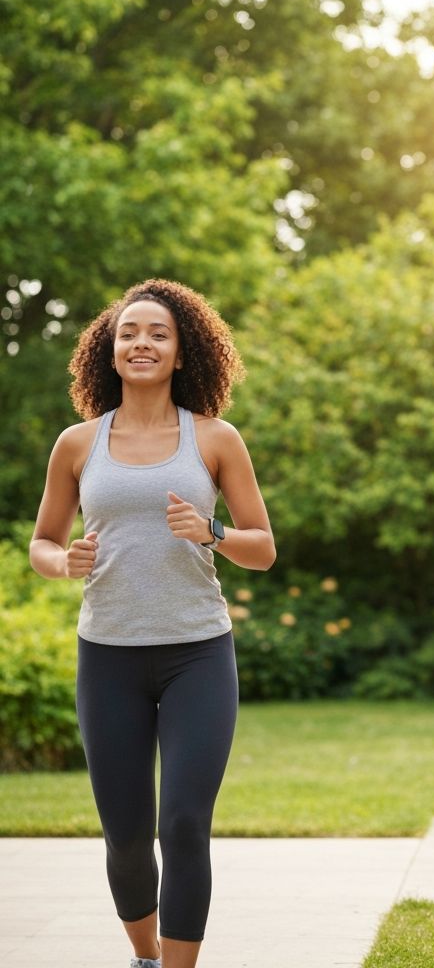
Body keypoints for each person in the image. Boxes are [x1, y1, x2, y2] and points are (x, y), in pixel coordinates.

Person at [30, 279, 275, 968]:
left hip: (198, 653)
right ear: (109, 352)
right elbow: (42, 541)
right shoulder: (77, 445)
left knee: (186, 823)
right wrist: (62, 563)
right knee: (128, 834)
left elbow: (264, 547)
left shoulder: (216, 439)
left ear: (181, 351)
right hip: (107, 656)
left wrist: (212, 531)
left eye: (158, 333)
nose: (142, 342)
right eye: (129, 333)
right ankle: (143, 957)